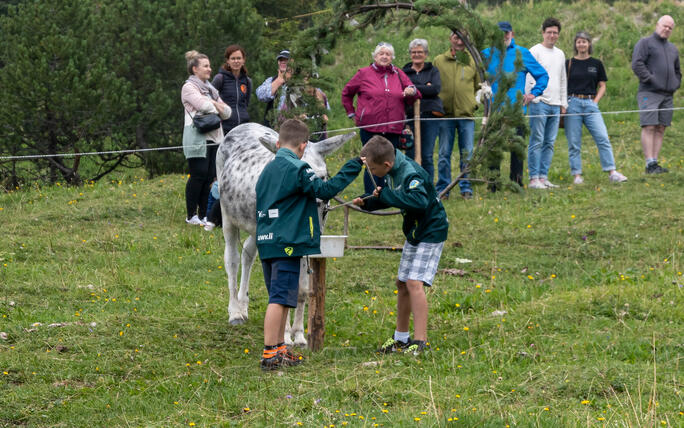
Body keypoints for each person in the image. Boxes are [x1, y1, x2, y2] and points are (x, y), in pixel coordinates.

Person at [255, 119, 362, 370]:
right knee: (279, 299)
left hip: (267, 241)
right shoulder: (298, 169)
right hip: (287, 243)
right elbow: (324, 190)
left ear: (279, 143)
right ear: (303, 146)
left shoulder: (267, 170)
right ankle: (270, 353)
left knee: (281, 297)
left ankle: (280, 348)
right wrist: (353, 166)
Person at [352, 135, 448, 356]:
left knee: (415, 282)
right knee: (403, 282)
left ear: (386, 164)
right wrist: (369, 203)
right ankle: (401, 339)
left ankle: (421, 341)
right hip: (416, 231)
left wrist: (386, 194)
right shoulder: (393, 170)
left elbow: (419, 201)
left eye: (373, 170)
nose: (373, 175)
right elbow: (394, 197)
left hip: (431, 230)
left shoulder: (410, 174)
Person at [342, 42, 421, 194]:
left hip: (393, 128)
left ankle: (387, 194)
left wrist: (411, 90)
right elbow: (347, 93)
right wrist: (352, 113)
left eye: (388, 54)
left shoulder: (398, 73)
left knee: (389, 162)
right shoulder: (363, 73)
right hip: (370, 127)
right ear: (375, 56)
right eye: (381, 54)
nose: (384, 56)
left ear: (392, 57)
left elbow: (414, 92)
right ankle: (371, 194)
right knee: (370, 160)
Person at [481, 21, 548, 191]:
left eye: (507, 33)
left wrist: (533, 93)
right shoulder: (486, 54)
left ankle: (516, 183)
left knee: (516, 148)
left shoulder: (522, 53)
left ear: (512, 33)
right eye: (500, 33)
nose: (504, 36)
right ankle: (493, 185)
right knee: (493, 148)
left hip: (516, 110)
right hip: (494, 110)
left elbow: (542, 76)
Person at [565, 31, 628, 184]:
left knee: (602, 137)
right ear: (575, 44)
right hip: (572, 103)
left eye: (584, 41)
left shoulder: (596, 64)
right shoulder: (568, 63)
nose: (581, 44)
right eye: (579, 42)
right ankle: (577, 175)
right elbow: (562, 84)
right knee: (574, 142)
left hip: (590, 104)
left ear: (589, 44)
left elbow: (602, 86)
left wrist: (595, 101)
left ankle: (612, 171)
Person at [181, 50, 231, 226]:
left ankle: (203, 214)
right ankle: (190, 215)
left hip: (215, 138)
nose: (210, 69)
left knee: (210, 176)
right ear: (195, 69)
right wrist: (216, 104)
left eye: (209, 65)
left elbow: (227, 112)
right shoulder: (188, 88)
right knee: (198, 175)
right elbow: (204, 106)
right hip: (197, 138)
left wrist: (214, 104)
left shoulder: (211, 89)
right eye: (206, 66)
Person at [433, 31, 480, 199]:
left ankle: (466, 187)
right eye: (456, 37)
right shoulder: (439, 60)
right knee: (444, 153)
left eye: (462, 37)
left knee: (467, 153)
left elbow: (478, 85)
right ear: (450, 39)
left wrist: (473, 103)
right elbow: (434, 84)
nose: (459, 41)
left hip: (466, 115)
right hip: (445, 116)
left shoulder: (473, 60)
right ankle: (443, 188)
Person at [631, 15, 681, 174]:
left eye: (670, 28)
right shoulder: (645, 43)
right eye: (665, 25)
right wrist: (650, 79)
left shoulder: (673, 48)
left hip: (667, 95)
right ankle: (649, 163)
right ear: (657, 24)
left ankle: (655, 163)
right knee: (649, 126)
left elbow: (678, 71)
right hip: (649, 92)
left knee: (660, 127)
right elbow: (637, 64)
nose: (667, 29)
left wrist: (675, 83)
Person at [525, 17, 568, 189]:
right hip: (539, 102)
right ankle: (534, 178)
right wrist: (532, 96)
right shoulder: (534, 51)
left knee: (549, 142)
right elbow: (528, 76)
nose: (552, 35)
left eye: (555, 33)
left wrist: (563, 103)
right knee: (537, 140)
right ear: (543, 33)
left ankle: (543, 177)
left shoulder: (560, 54)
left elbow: (563, 79)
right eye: (549, 32)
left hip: (555, 104)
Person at [401, 38, 445, 182]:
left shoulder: (433, 70)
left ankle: (428, 188)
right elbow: (401, 90)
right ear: (410, 54)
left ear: (426, 54)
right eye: (413, 52)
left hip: (429, 117)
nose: (417, 55)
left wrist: (413, 88)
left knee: (426, 155)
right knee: (410, 153)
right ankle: (411, 186)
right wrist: (424, 86)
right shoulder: (404, 72)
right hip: (409, 117)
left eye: (420, 52)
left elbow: (435, 89)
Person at [212, 44, 251, 134]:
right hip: (223, 128)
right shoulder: (219, 78)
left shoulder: (247, 81)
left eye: (239, 58)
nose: (236, 61)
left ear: (243, 60)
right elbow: (210, 99)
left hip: (243, 128)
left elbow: (246, 103)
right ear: (228, 61)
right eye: (233, 58)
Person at [256, 50, 292, 127]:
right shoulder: (271, 80)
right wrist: (279, 81)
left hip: (293, 129)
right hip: (272, 129)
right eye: (280, 60)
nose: (283, 62)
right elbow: (260, 95)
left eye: (286, 60)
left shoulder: (301, 82)